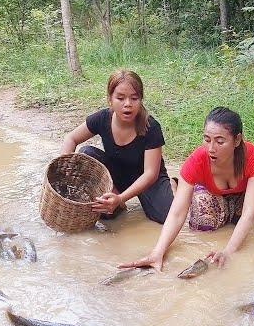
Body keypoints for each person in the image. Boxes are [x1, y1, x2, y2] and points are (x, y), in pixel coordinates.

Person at [119, 106, 254, 270]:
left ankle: (237, 204)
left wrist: (228, 251)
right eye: (207, 140)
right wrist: (158, 251)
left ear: (237, 140)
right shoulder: (196, 161)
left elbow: (249, 215)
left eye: (220, 141)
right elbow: (177, 214)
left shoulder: (253, 157)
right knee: (202, 223)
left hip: (246, 189)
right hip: (212, 192)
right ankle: (186, 189)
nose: (211, 148)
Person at [60, 69, 175, 224]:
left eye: (134, 98)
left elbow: (150, 173)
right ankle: (117, 204)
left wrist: (121, 197)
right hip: (117, 175)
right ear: (110, 100)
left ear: (140, 100)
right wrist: (62, 172)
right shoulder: (101, 118)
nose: (128, 104)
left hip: (147, 179)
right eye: (120, 98)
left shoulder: (151, 127)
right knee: (86, 153)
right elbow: (71, 138)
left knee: (166, 216)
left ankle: (173, 184)